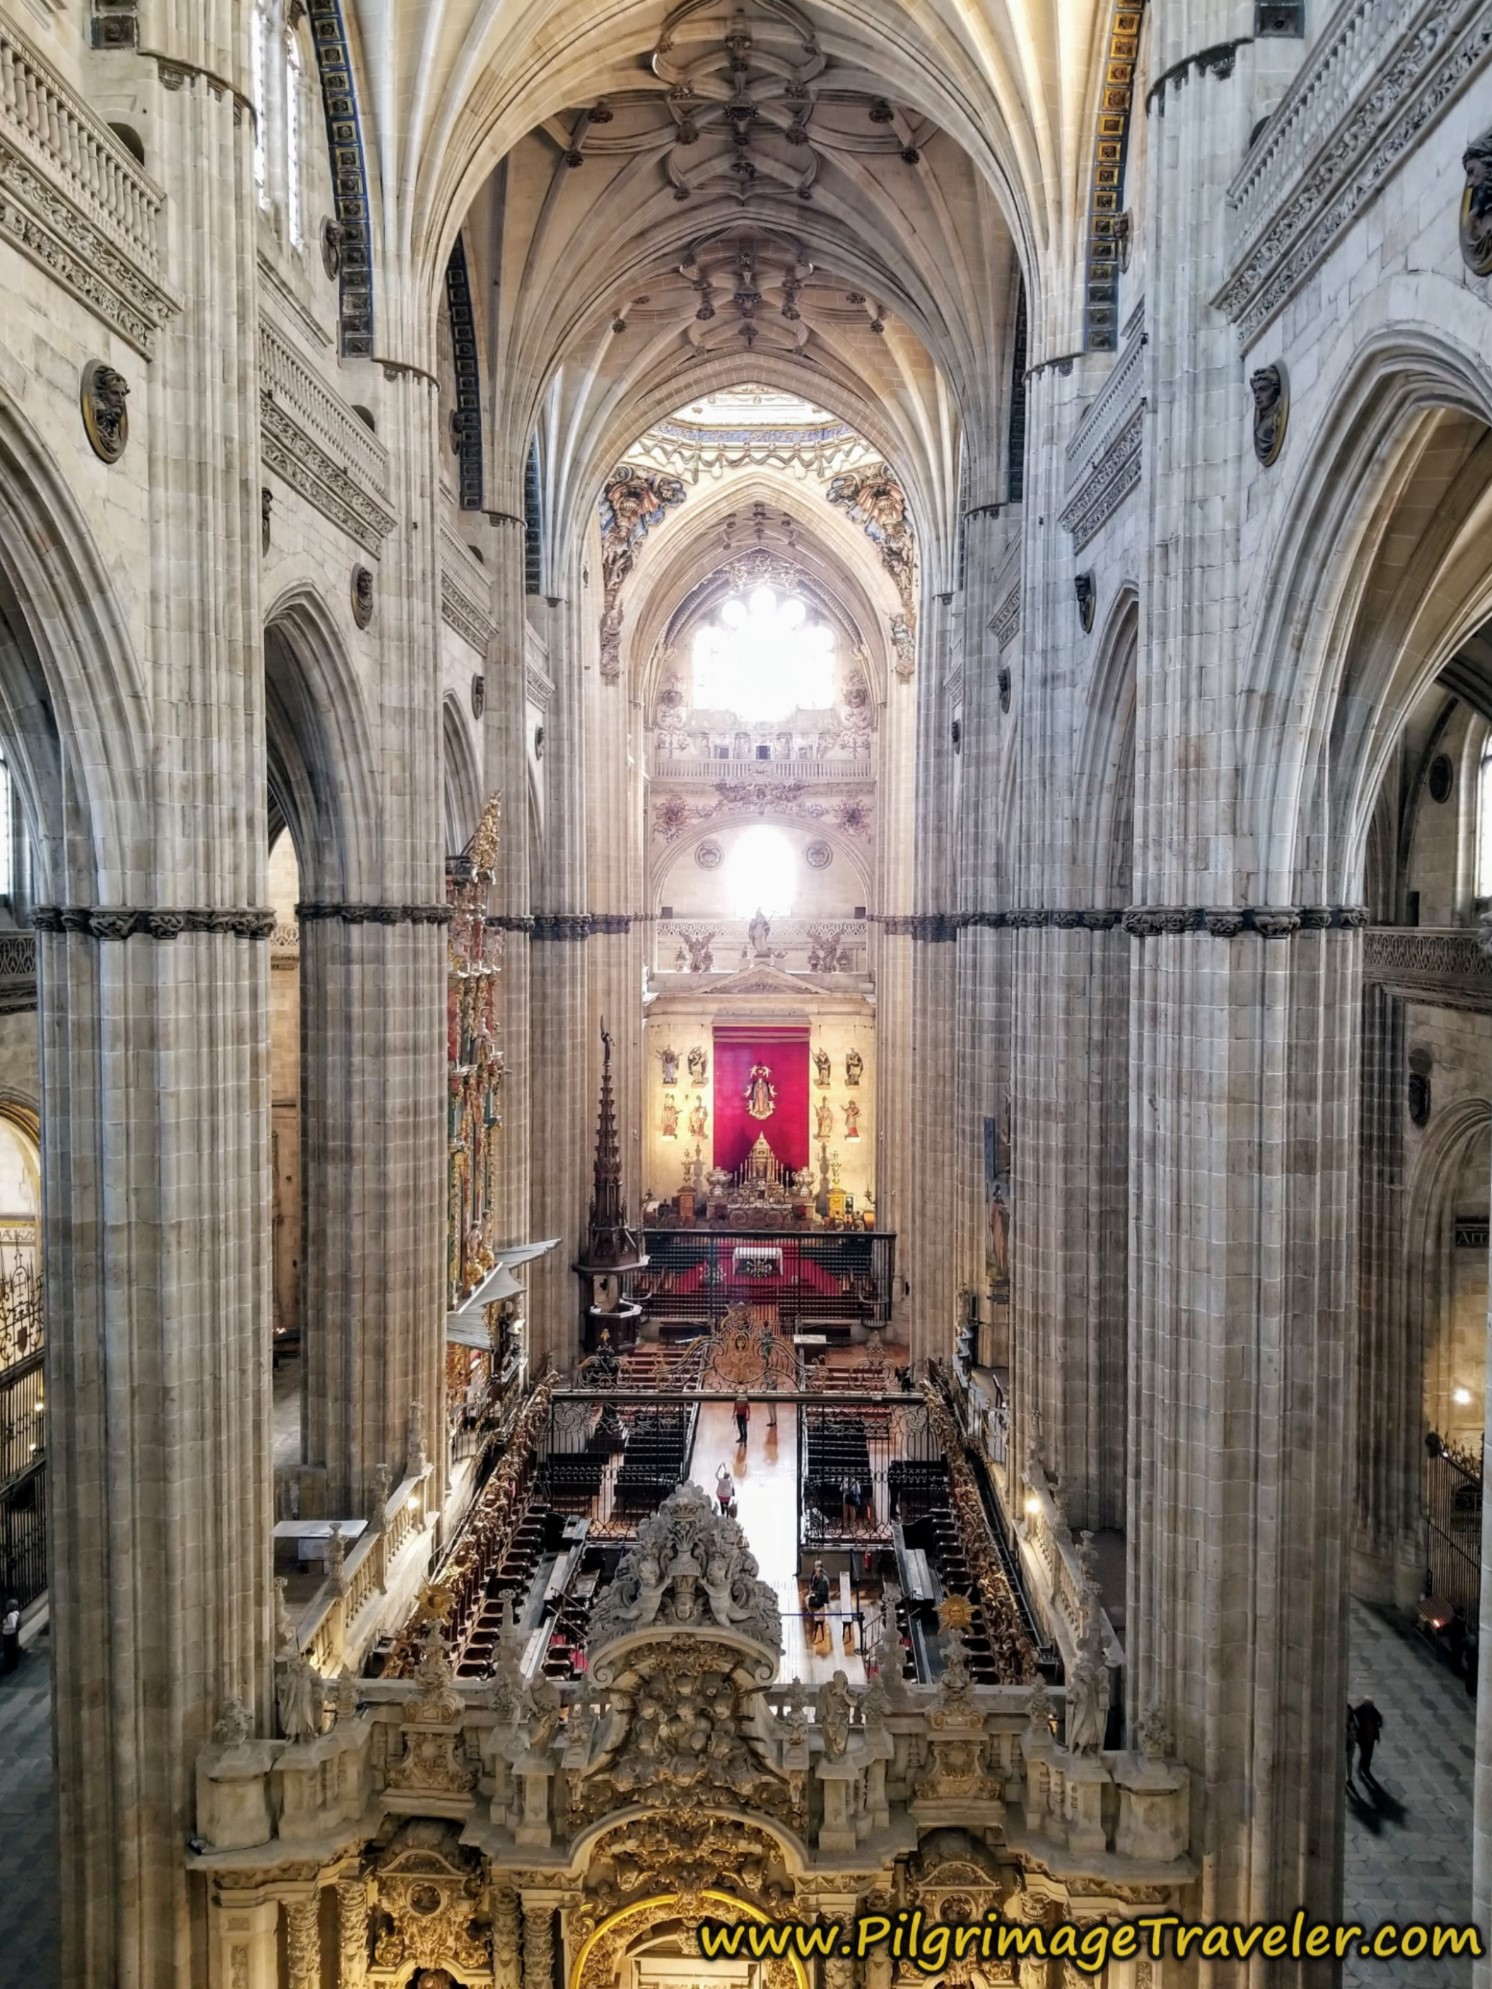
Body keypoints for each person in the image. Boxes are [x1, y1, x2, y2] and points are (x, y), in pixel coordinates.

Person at [1354, 1699, 1383, 1778]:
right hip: (1363, 1737)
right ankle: (1360, 1768)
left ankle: (1366, 1768)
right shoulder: (1359, 1711)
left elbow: (1379, 1717)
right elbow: (1353, 1718)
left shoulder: (1373, 1710)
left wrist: (1379, 1724)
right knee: (1364, 1754)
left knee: (1369, 1754)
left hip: (1371, 1736)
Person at [806, 1559, 831, 1646]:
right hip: (817, 1594)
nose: (815, 1571)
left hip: (822, 1598)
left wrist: (814, 1592)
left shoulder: (824, 1580)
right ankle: (812, 1613)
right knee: (807, 1599)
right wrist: (812, 1589)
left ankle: (813, 1613)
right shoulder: (816, 1576)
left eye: (817, 1570)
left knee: (809, 1602)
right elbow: (813, 1585)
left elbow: (823, 1593)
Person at [1, 1597, 19, 1673]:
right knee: (11, 1651)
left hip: (9, 1635)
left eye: (8, 1605)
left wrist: (3, 1627)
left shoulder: (11, 1615)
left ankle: (9, 1666)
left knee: (9, 1651)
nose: (6, 1606)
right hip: (10, 1635)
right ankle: (12, 1665)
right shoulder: (14, 1613)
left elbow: (13, 1626)